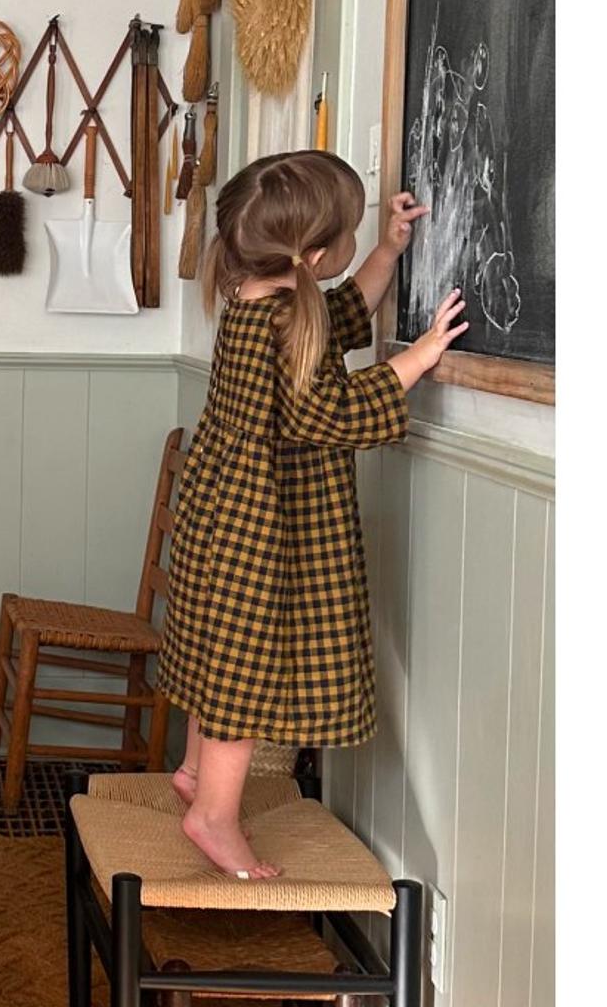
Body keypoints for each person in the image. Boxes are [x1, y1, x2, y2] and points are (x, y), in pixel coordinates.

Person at [154, 150, 468, 878]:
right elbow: (321, 410)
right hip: (259, 527)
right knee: (240, 669)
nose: (360, 244)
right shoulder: (279, 322)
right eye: (356, 233)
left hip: (227, 511)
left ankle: (198, 774)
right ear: (315, 255)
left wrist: (389, 249)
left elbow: (348, 308)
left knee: (216, 652)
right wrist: (414, 363)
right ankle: (214, 815)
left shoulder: (265, 299)